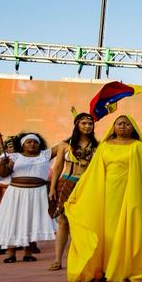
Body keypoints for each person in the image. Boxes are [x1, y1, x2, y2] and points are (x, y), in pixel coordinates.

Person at [65, 115, 142, 282]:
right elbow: (93, 172)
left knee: (127, 228)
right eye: (119, 123)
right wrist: (79, 192)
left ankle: (122, 266)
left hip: (130, 194)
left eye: (127, 124)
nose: (123, 127)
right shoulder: (104, 147)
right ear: (113, 127)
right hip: (107, 195)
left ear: (132, 128)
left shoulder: (137, 146)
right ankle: (103, 267)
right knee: (107, 230)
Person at [0, 133, 57, 263]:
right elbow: (3, 174)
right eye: (28, 142)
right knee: (12, 221)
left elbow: (63, 145)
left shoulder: (45, 155)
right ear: (22, 144)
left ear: (39, 144)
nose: (32, 144)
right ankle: (11, 254)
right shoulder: (14, 156)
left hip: (37, 192)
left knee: (31, 221)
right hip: (16, 193)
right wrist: (3, 163)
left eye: (35, 142)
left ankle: (28, 254)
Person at [47, 112, 99, 271]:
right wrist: (52, 188)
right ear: (77, 125)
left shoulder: (99, 146)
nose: (87, 126)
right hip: (67, 183)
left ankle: (82, 259)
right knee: (63, 221)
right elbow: (57, 168)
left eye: (90, 123)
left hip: (88, 186)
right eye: (83, 123)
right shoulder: (65, 145)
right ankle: (57, 260)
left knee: (84, 223)